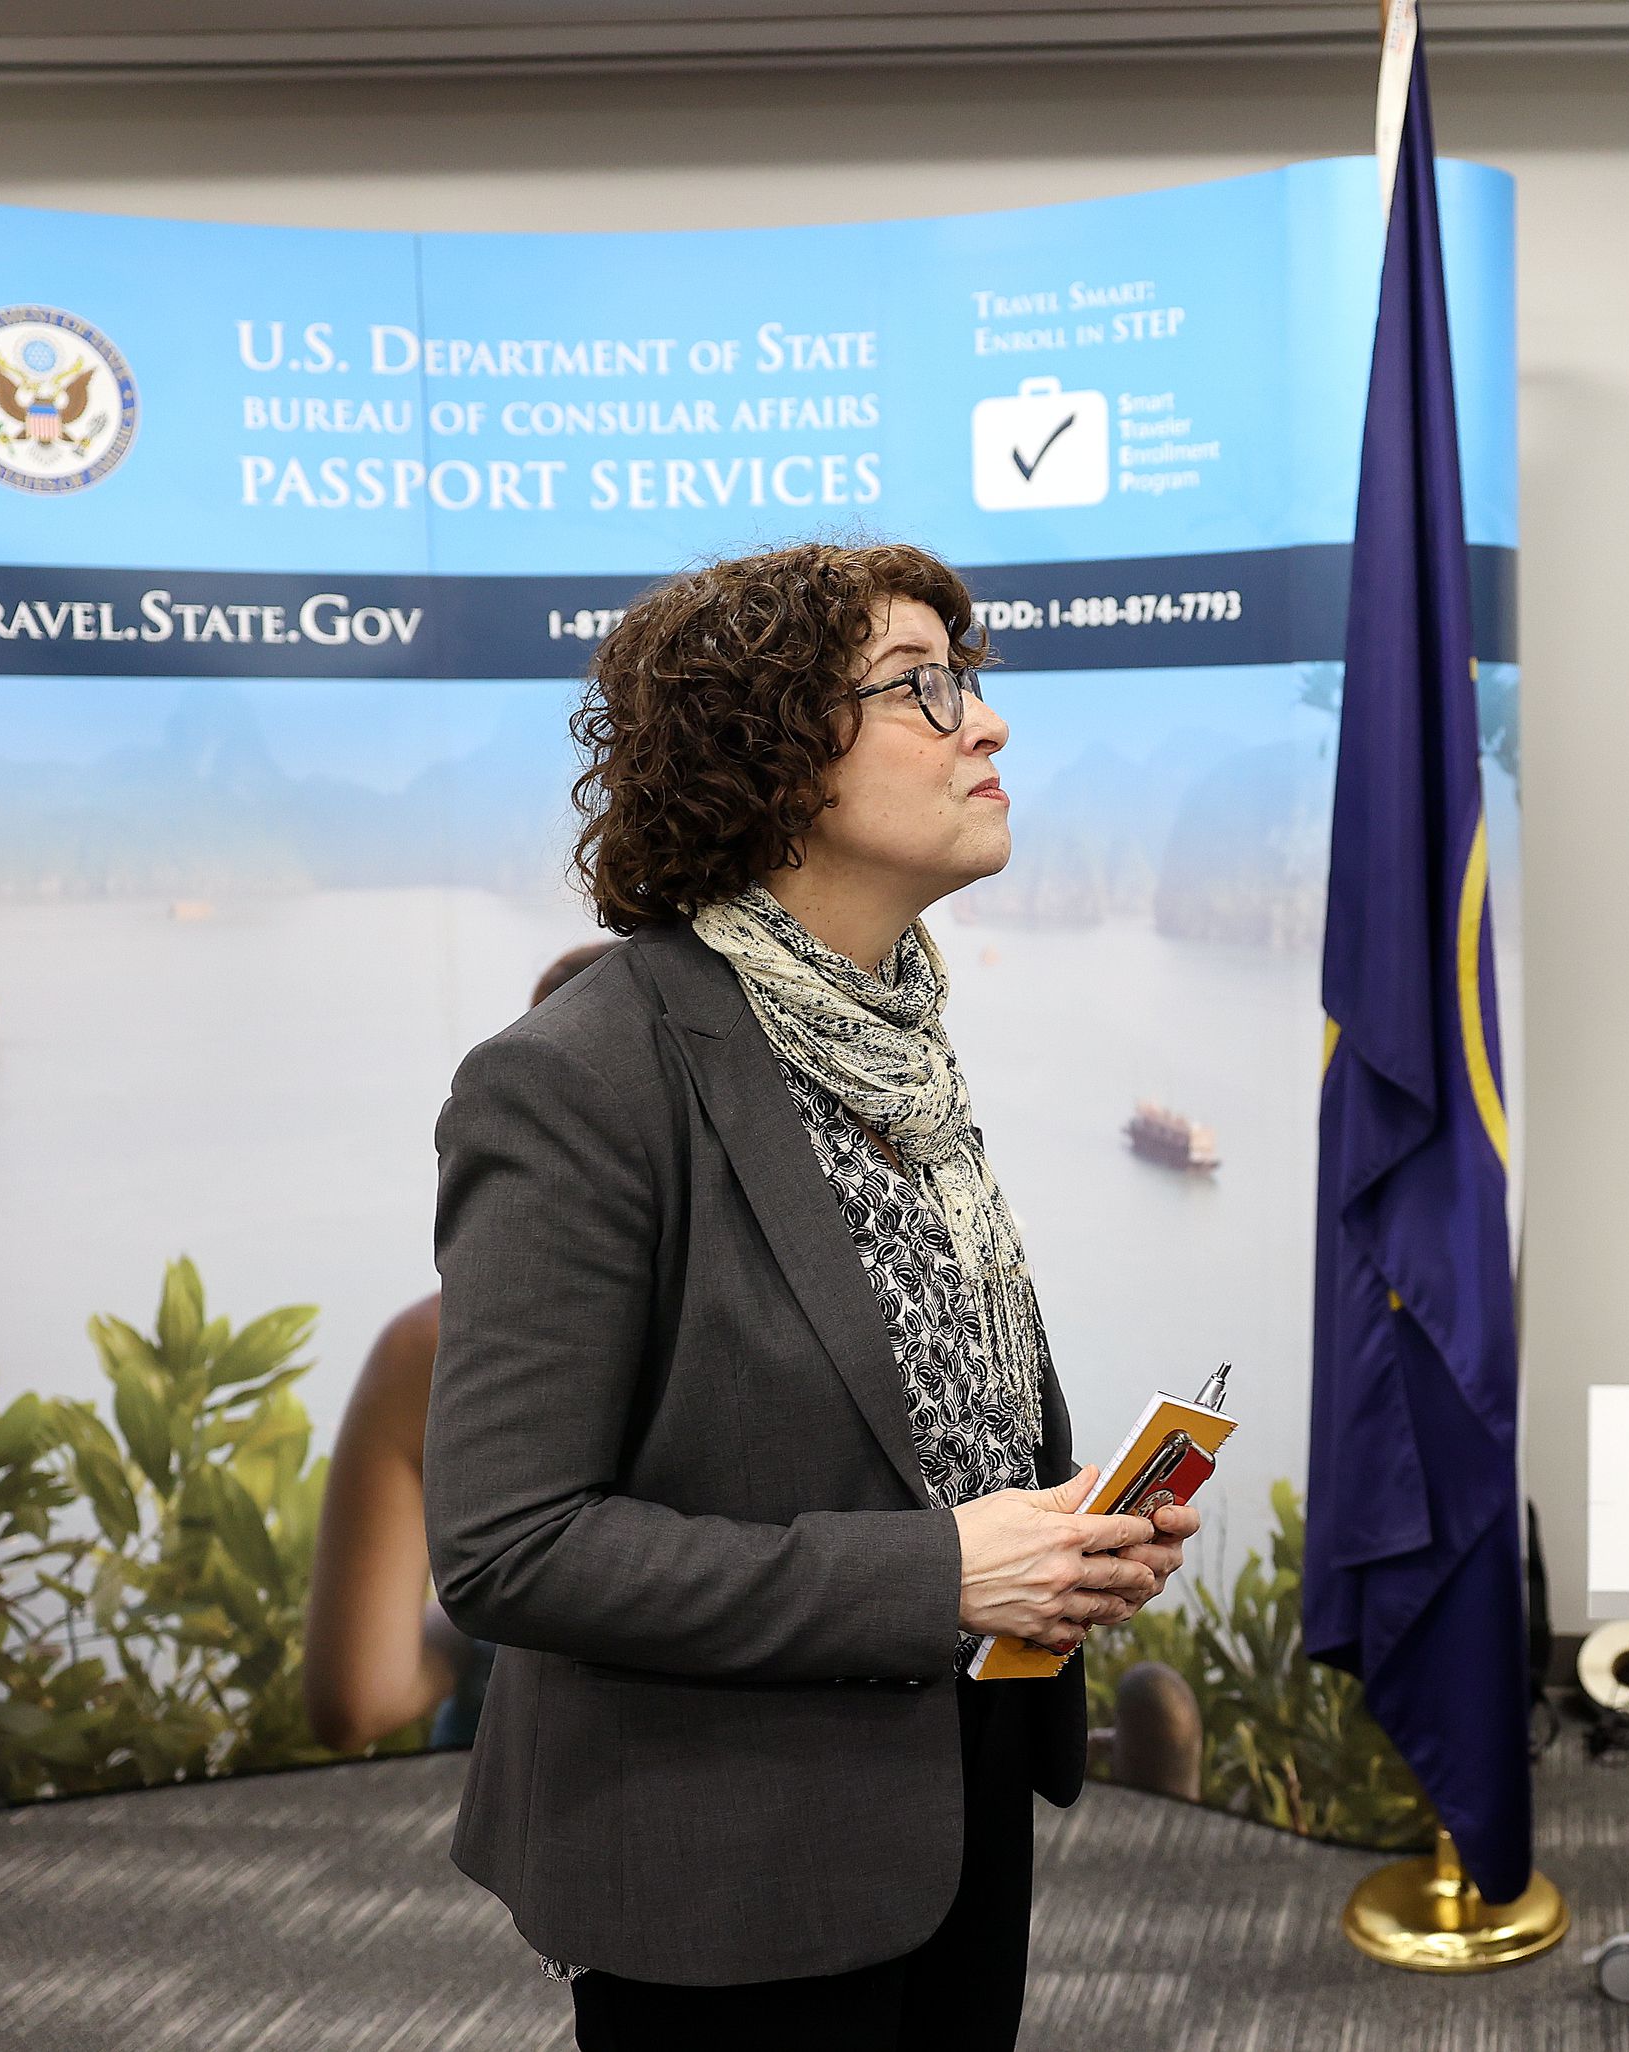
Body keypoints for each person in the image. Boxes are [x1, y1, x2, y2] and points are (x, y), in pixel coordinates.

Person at [423, 541, 1196, 2052]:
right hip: (724, 1859)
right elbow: (511, 1549)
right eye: (922, 688)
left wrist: (1061, 1531)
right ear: (766, 756)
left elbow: (903, 1422)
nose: (988, 724)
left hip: (955, 1790)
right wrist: (939, 1577)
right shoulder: (577, 1080)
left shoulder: (893, 1038)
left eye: (967, 682)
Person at [301, 941, 617, 1755]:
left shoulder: (430, 1345)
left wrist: (489, 1621)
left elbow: (358, 1701)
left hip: (514, 1810)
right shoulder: (860, 1324)